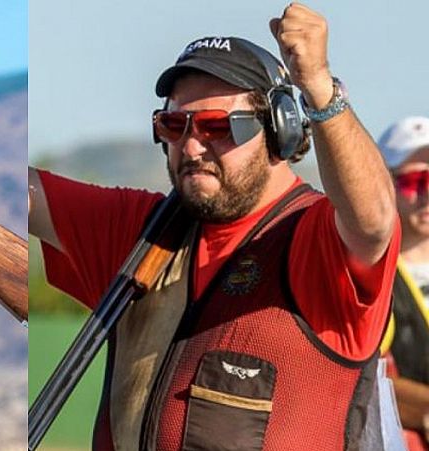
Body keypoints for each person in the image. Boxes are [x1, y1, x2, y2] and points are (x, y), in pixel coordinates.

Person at [29, 4, 401, 450]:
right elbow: (21, 192)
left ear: (279, 130)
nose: (190, 146)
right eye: (173, 124)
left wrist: (320, 89)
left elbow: (374, 220)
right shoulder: (142, 232)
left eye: (217, 127)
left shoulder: (315, 239)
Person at [377, 116, 429, 450]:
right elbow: (370, 379)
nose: (427, 196)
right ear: (384, 186)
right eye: (415, 182)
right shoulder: (373, 277)